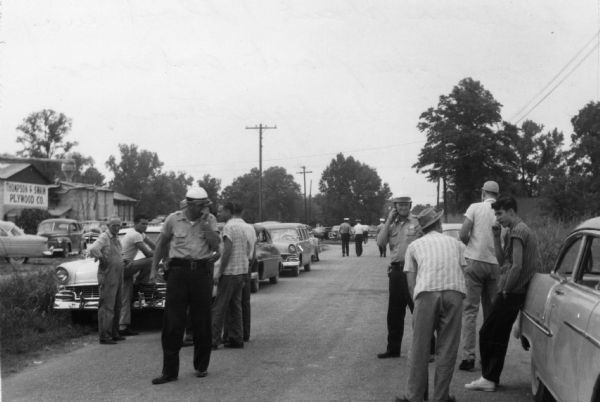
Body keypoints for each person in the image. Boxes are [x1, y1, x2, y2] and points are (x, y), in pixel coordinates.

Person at [465, 196, 539, 393]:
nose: (497, 219)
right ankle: (490, 377)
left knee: (488, 332)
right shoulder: (513, 232)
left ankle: (488, 378)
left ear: (511, 211)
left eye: (499, 214)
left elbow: (516, 266)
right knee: (497, 334)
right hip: (513, 290)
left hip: (512, 291)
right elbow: (500, 260)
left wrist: (506, 289)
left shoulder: (518, 232)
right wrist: (497, 237)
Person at [150, 186, 221, 385]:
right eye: (200, 206)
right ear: (189, 204)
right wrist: (153, 269)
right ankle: (169, 371)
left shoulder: (210, 220)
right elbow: (161, 244)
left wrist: (206, 222)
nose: (203, 209)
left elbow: (216, 245)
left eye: (206, 205)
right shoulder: (173, 219)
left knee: (202, 321)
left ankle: (201, 366)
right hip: (178, 273)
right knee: (172, 322)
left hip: (201, 272)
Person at [397, 207, 467, 402]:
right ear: (439, 224)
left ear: (423, 228)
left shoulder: (414, 246)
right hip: (454, 292)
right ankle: (441, 397)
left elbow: (411, 281)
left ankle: (414, 397)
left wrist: (418, 304)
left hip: (426, 293)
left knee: (419, 347)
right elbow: (464, 271)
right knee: (447, 347)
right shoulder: (456, 244)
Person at [457, 180, 499, 371]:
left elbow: (463, 233)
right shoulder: (500, 210)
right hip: (494, 264)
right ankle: (488, 357)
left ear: (483, 192)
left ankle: (468, 357)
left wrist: (470, 244)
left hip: (474, 261)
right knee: (491, 313)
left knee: (470, 311)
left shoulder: (474, 207)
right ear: (496, 195)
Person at [376, 196, 421, 358]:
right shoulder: (391, 224)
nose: (403, 207)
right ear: (394, 206)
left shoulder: (417, 222)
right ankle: (393, 349)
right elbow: (381, 243)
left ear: (410, 205)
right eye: (399, 204)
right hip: (396, 272)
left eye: (405, 204)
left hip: (415, 272)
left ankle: (427, 349)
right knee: (394, 312)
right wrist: (388, 221)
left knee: (419, 309)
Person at [211, 201, 256, 349]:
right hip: (241, 271)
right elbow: (249, 249)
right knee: (236, 306)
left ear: (229, 212)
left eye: (221, 211)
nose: (218, 214)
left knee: (219, 307)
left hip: (230, 272)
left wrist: (219, 272)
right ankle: (237, 338)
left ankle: (213, 340)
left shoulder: (228, 227)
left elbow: (227, 251)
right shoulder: (245, 228)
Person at [88, 216, 126, 345]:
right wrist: (102, 258)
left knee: (117, 304)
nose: (116, 227)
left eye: (118, 225)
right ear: (108, 226)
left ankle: (114, 333)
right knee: (107, 305)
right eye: (114, 225)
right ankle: (105, 335)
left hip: (118, 273)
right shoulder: (104, 237)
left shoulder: (116, 238)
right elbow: (93, 249)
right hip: (108, 274)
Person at [119, 214, 155, 336]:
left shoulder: (140, 234)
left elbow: (154, 246)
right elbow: (148, 253)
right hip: (123, 266)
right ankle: (141, 282)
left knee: (126, 297)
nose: (145, 226)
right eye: (143, 223)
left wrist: (161, 249)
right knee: (151, 260)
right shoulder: (135, 235)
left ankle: (122, 326)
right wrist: (160, 254)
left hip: (125, 267)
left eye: (147, 224)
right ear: (135, 223)